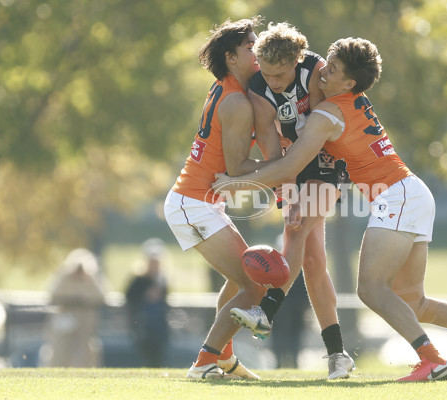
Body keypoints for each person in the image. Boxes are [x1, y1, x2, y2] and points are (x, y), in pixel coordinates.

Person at [215, 37, 447, 381]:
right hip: (412, 194)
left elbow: (289, 168)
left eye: (330, 69)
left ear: (348, 82)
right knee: (413, 301)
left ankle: (433, 360)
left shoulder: (325, 115)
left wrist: (235, 182)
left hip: (396, 197)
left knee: (371, 290)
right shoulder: (348, 100)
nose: (321, 71)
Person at [228, 22, 354, 379]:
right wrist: (287, 189)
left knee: (294, 231)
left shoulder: (314, 69)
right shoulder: (258, 86)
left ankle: (267, 310)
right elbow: (268, 140)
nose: (274, 82)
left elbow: (319, 130)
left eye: (280, 74)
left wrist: (300, 192)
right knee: (312, 262)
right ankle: (338, 356)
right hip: (290, 163)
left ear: (297, 60)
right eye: (267, 74)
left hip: (327, 157)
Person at [163, 16, 267, 380]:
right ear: (231, 58)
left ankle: (223, 357)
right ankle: (206, 361)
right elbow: (237, 168)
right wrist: (285, 166)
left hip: (196, 202)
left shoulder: (227, 88)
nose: (258, 51)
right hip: (194, 204)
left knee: (243, 282)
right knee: (255, 282)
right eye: (250, 46)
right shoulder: (236, 101)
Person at [39, 248, 105, 367]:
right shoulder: (64, 278)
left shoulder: (90, 280)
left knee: (85, 350)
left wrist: (82, 301)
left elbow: (100, 296)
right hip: (64, 318)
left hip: (85, 320)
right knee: (60, 348)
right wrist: (71, 300)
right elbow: (54, 296)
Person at [125, 238, 170, 367]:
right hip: (142, 322)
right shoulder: (139, 280)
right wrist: (145, 296)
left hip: (158, 323)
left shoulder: (161, 279)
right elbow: (130, 297)